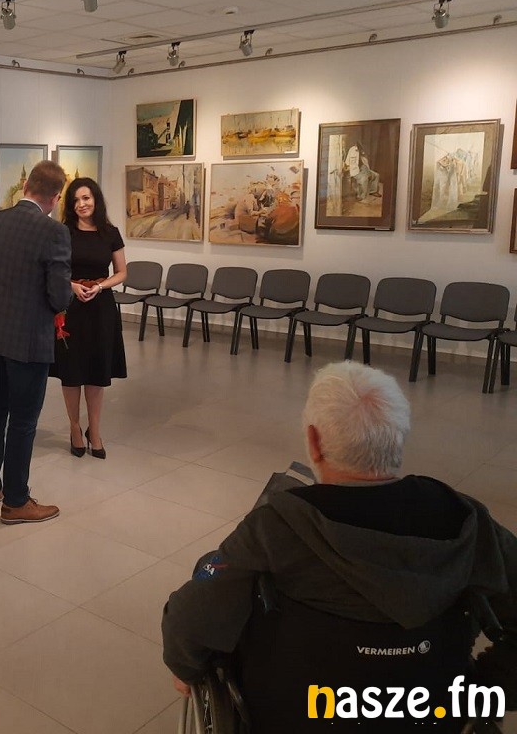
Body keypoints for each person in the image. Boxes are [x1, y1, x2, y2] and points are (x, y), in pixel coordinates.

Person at [162, 362, 517, 720]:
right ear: (397, 437)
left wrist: (186, 667)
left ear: (314, 442)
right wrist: (480, 692)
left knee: (214, 572)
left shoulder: (276, 526)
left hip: (294, 715)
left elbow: (188, 625)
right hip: (436, 715)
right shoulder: (467, 520)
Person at [0, 160, 72, 524]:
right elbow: (59, 297)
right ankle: (16, 501)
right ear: (55, 197)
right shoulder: (53, 232)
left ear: (25, 186)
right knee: (23, 420)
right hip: (27, 340)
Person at [49, 177, 127, 460]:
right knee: (71, 372)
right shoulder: (63, 233)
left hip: (100, 307)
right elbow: (53, 270)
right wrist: (72, 286)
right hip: (70, 307)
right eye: (76, 200)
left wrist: (100, 286)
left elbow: (121, 272)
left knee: (96, 371)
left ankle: (94, 430)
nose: (81, 204)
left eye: (86, 198)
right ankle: (74, 428)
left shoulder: (110, 232)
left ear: (95, 199)